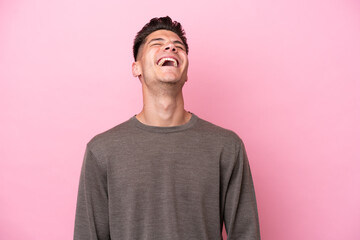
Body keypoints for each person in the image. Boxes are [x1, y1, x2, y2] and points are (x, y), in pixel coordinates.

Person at [74, 16, 260, 240]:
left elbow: (246, 234)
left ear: (186, 72)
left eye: (178, 46)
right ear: (136, 68)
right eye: (157, 44)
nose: (170, 46)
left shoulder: (227, 146)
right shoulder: (102, 150)